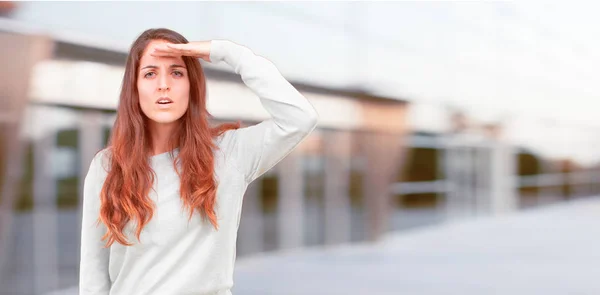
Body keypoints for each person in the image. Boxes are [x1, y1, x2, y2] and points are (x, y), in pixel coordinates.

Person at [79, 28, 318, 295]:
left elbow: (300, 118)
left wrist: (227, 52)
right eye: (149, 73)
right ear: (134, 88)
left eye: (176, 72)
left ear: (192, 85)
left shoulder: (229, 154)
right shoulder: (107, 166)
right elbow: (93, 275)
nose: (163, 84)